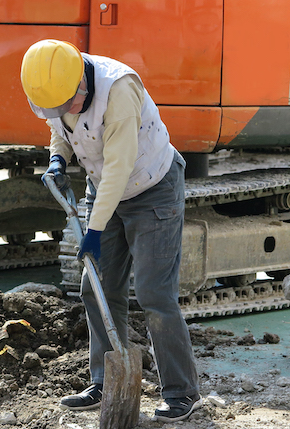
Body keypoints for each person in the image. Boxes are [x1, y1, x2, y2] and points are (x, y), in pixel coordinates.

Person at [20, 39, 200, 422]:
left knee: (154, 292)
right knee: (97, 288)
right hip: (103, 188)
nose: (64, 111)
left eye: (68, 103)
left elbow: (119, 168)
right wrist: (57, 159)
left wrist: (94, 231)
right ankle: (105, 380)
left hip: (151, 188)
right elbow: (60, 127)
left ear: (81, 87)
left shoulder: (119, 89)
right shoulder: (54, 83)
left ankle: (182, 391)